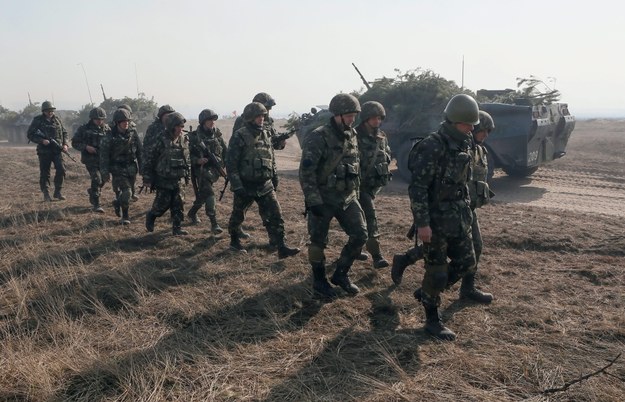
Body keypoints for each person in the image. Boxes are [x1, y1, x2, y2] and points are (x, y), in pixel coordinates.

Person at [407, 93, 483, 341]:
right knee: (437, 272)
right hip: (435, 220)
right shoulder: (432, 146)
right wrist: (422, 223)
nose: (471, 128)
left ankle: (428, 292)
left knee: (467, 262)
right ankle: (432, 319)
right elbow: (417, 189)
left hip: (459, 216)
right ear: (452, 121)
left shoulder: (465, 142)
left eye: (473, 124)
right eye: (467, 124)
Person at [299, 93, 367, 297]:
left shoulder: (352, 135)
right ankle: (319, 281)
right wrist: (313, 201)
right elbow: (306, 172)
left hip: (347, 197)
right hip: (323, 198)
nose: (352, 119)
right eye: (348, 115)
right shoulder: (318, 136)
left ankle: (341, 274)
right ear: (337, 115)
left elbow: (356, 165)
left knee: (361, 234)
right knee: (318, 242)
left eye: (354, 115)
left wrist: (357, 191)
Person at [226, 102, 300, 258]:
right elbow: (231, 163)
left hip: (264, 184)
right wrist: (237, 185)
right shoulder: (239, 135)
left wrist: (274, 177)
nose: (261, 119)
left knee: (276, 215)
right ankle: (234, 241)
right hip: (246, 184)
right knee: (238, 215)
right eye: (258, 116)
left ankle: (281, 245)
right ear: (250, 118)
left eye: (263, 116)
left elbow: (271, 158)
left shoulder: (267, 134)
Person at [355, 101, 392, 268]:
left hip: (372, 186)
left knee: (358, 221)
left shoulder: (381, 136)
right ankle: (377, 256)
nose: (377, 121)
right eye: (373, 118)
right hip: (358, 186)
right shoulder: (354, 136)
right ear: (365, 119)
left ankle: (354, 249)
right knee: (370, 218)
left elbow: (387, 154)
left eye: (379, 118)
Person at [144, 112, 191, 236]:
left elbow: (187, 159)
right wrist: (147, 177)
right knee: (162, 205)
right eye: (179, 126)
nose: (181, 129)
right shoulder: (161, 139)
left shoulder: (184, 139)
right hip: (164, 179)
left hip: (179, 178)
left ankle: (177, 228)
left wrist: (187, 176)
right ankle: (152, 215)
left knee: (179, 204)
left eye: (182, 126)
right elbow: (150, 158)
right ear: (171, 126)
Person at [187, 108, 227, 234]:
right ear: (203, 121)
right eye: (210, 120)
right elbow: (187, 155)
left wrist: (227, 166)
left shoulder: (217, 134)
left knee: (202, 196)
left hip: (215, 170)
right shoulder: (194, 137)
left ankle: (192, 212)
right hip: (201, 171)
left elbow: (226, 151)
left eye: (213, 120)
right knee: (209, 195)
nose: (212, 122)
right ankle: (214, 223)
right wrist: (198, 160)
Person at [100, 109, 142, 225]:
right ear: (117, 122)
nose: (126, 123)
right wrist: (105, 173)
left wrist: (142, 168)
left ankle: (118, 202)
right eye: (123, 121)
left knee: (129, 192)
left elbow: (139, 151)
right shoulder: (109, 136)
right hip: (117, 169)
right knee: (127, 192)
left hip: (132, 169)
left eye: (127, 120)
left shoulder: (133, 133)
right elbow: (103, 156)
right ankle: (125, 216)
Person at [26, 101, 69, 202]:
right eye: (47, 111)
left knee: (61, 169)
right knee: (45, 172)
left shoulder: (57, 120)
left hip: (57, 150)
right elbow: (30, 134)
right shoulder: (37, 120)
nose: (50, 112)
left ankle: (58, 192)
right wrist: (41, 140)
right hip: (44, 151)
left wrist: (65, 144)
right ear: (43, 111)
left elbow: (64, 132)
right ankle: (46, 194)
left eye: (51, 111)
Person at [71, 107, 111, 212]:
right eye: (97, 119)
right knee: (96, 179)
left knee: (104, 179)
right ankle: (96, 204)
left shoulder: (107, 129)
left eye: (102, 119)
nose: (99, 121)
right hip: (90, 160)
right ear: (92, 118)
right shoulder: (84, 129)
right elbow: (74, 142)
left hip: (103, 159)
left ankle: (93, 191)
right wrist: (86, 147)